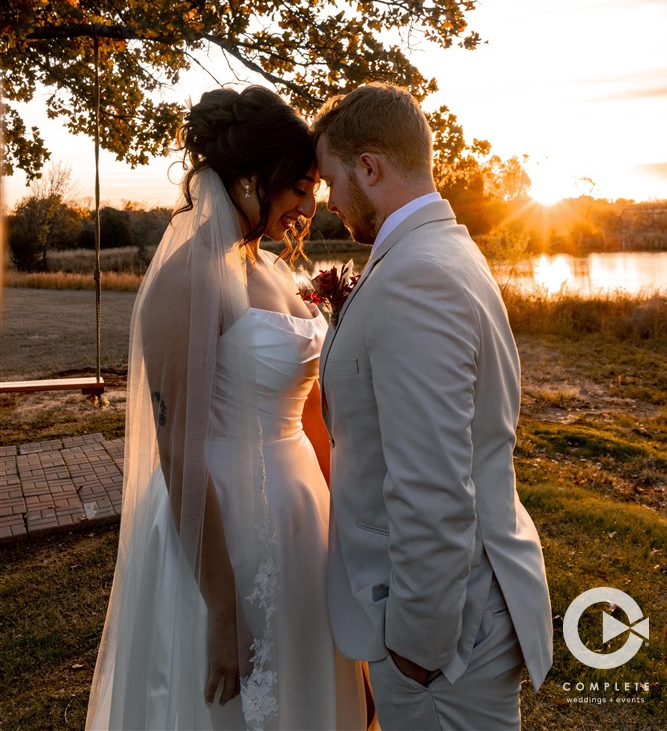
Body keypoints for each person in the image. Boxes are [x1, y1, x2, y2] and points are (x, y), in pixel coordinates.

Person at [87, 86, 367, 731]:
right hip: (225, 520)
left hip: (302, 509)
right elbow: (179, 448)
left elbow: (312, 405)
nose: (308, 206)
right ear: (248, 179)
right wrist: (221, 606)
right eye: (297, 188)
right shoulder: (186, 281)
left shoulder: (269, 267)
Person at [312, 83, 553, 731]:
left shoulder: (416, 274)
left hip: (445, 639)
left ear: (369, 167)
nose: (329, 204)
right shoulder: (445, 250)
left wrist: (416, 643)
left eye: (331, 181)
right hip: (459, 614)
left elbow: (432, 484)